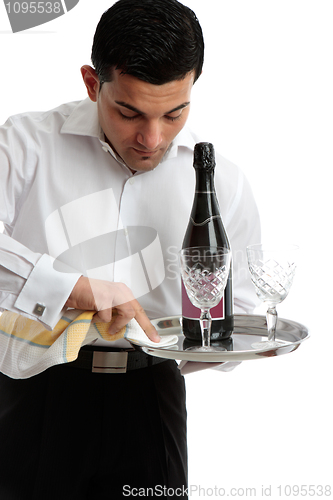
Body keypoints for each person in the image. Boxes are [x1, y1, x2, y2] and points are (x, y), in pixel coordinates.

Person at [0, 0, 260, 498]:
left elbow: (241, 314)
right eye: (129, 111)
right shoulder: (25, 144)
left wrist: (209, 336)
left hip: (152, 398)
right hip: (38, 391)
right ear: (92, 83)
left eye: (175, 112)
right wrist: (71, 290)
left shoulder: (221, 181)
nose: (151, 138)